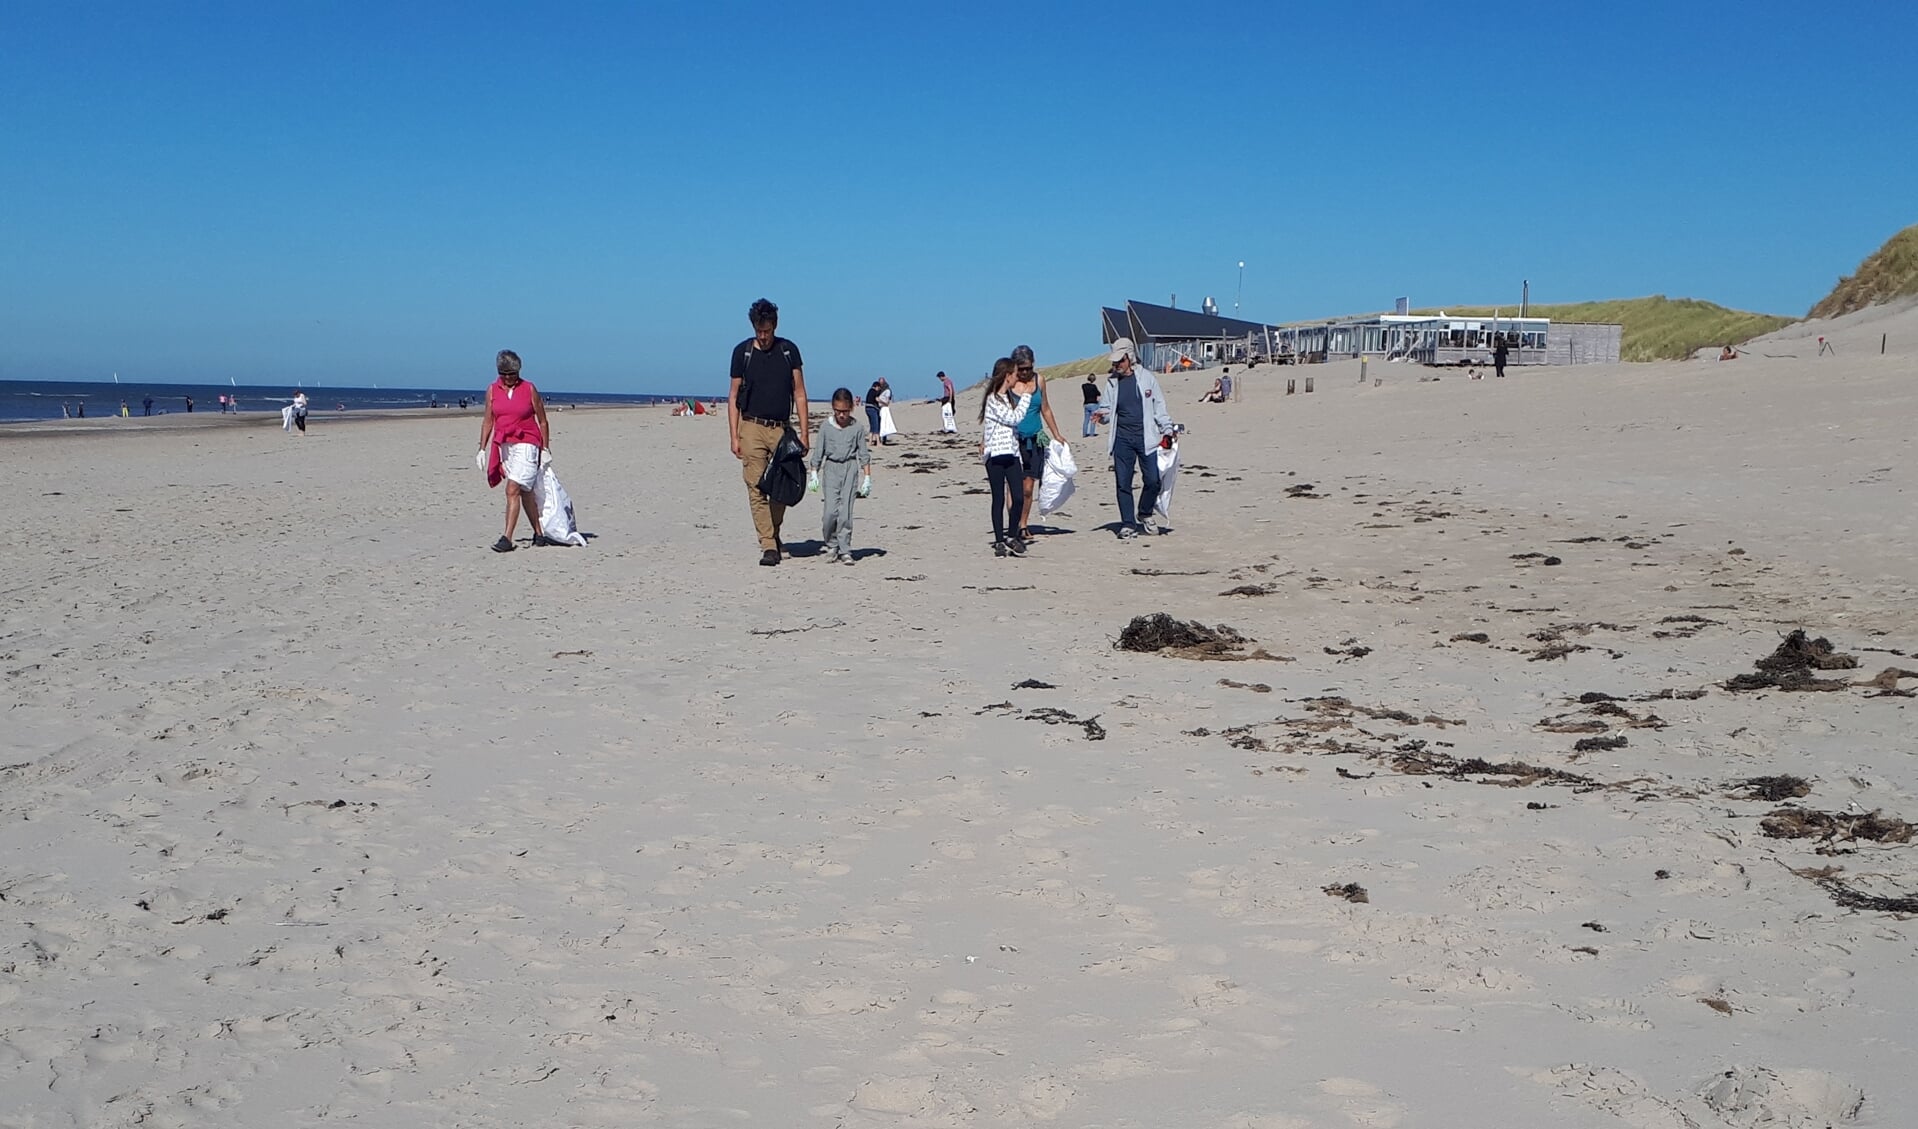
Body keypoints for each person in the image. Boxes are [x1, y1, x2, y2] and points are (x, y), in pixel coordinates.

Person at [728, 297, 810, 567]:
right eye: (759, 331)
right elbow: (732, 396)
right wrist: (734, 435)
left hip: (781, 430)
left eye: (767, 330)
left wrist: (805, 433)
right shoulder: (742, 353)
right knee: (755, 488)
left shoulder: (789, 351)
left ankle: (773, 532)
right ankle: (768, 545)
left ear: (775, 326)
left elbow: (799, 393)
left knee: (782, 487)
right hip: (751, 428)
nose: (763, 336)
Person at [477, 349, 553, 552]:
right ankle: (539, 533)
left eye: (513, 373)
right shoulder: (492, 390)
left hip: (527, 443)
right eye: (504, 374)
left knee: (512, 488)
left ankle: (507, 538)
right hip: (505, 446)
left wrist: (545, 448)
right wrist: (482, 449)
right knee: (525, 491)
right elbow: (488, 421)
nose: (509, 378)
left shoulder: (529, 388)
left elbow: (543, 421)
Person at [1103, 338, 1174, 539]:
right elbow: (1107, 411)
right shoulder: (1112, 382)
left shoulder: (1147, 378)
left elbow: (1159, 406)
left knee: (1153, 480)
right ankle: (1128, 523)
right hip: (1121, 439)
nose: (1117, 366)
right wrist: (1101, 416)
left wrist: (1167, 428)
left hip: (1146, 438)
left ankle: (1144, 513)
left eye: (1120, 361)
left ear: (1130, 358)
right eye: (1114, 362)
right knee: (1123, 482)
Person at [1008, 345, 1064, 542]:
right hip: (1014, 441)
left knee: (1029, 487)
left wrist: (1056, 433)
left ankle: (1023, 524)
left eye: (1028, 368)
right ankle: (1012, 525)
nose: (1024, 372)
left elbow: (1045, 408)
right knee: (1014, 486)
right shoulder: (1009, 383)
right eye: (1021, 368)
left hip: (1035, 439)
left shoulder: (1039, 380)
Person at [811, 388, 871, 564]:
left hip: (850, 468)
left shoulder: (857, 428)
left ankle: (845, 549)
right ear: (833, 408)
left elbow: (863, 454)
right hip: (831, 469)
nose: (841, 415)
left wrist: (867, 478)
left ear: (851, 408)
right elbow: (818, 453)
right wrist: (814, 473)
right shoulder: (825, 427)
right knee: (830, 513)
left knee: (845, 513)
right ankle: (831, 544)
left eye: (845, 411)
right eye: (838, 411)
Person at [979, 357, 1027, 557]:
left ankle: (1012, 535)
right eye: (1015, 374)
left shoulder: (1008, 397)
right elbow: (1013, 418)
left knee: (1018, 497)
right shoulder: (992, 399)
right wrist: (1026, 398)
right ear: (1007, 376)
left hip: (1012, 453)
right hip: (995, 455)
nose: (1018, 377)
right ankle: (999, 540)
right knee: (998, 498)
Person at [1082, 372, 1102, 437]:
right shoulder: (1094, 386)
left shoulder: (1084, 386)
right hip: (1093, 403)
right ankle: (1091, 434)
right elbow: (1099, 393)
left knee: (1086, 420)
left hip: (1086, 403)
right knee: (1093, 419)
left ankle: (1084, 433)